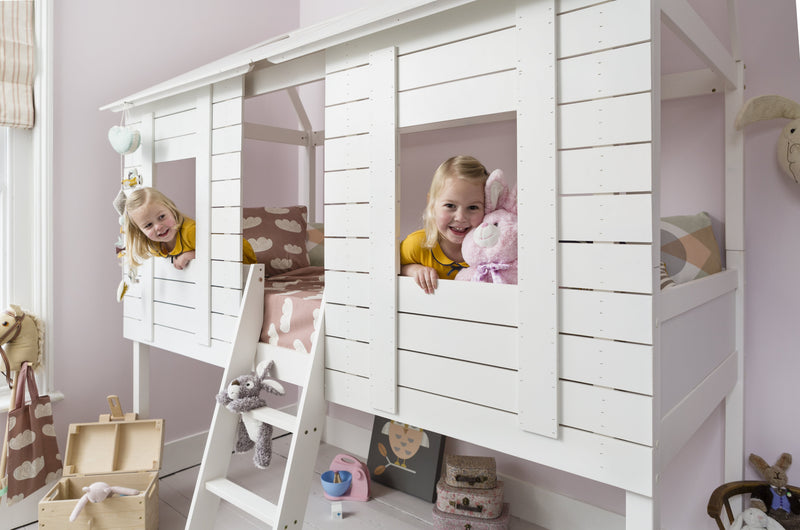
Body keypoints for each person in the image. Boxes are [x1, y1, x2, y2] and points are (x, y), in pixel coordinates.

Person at [400, 155, 489, 294]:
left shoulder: (490, 251)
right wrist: (412, 269)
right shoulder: (417, 244)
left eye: (472, 207)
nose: (460, 217)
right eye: (450, 205)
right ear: (432, 203)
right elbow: (388, 268)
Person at [123, 187, 256, 271]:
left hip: (241, 257)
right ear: (140, 231)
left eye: (162, 217)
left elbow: (224, 251)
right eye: (148, 225)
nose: (158, 226)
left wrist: (190, 255)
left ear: (171, 209)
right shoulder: (155, 246)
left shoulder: (191, 232)